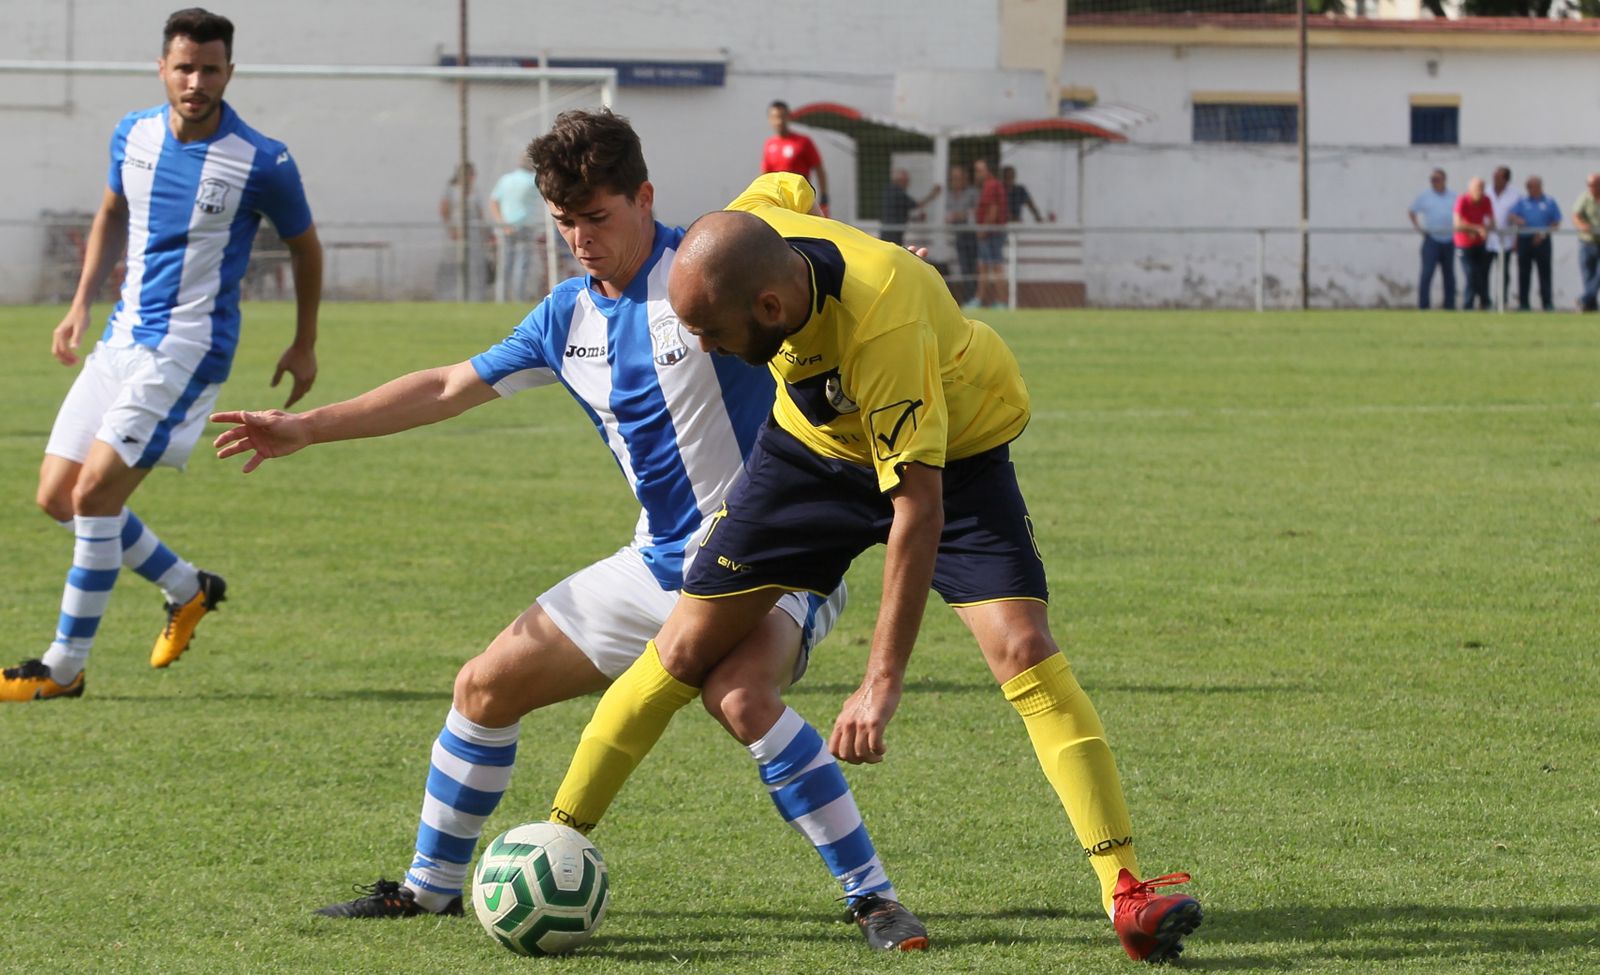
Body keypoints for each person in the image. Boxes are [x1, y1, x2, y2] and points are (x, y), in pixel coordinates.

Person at [209, 109, 928, 952]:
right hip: (657, 562)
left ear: (643, 197)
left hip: (775, 559)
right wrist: (307, 427)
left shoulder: (711, 268)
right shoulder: (564, 318)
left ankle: (873, 898)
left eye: (598, 217)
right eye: (565, 223)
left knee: (740, 696)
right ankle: (430, 887)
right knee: (483, 685)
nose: (581, 239)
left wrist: (894, 276)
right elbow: (447, 386)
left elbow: (825, 283)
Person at [543, 171, 1203, 965]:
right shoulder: (759, 224)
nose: (707, 350)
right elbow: (788, 186)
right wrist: (863, 240)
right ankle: (558, 837)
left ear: (772, 310)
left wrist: (881, 682)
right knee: (683, 645)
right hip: (810, 454)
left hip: (954, 454)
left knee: (1024, 648)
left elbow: (915, 513)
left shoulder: (884, 326)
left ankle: (1125, 890)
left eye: (714, 335)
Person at [1, 7, 322, 703]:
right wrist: (80, 301)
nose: (196, 81)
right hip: (121, 336)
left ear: (229, 73)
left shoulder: (262, 160)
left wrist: (304, 341)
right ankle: (189, 586)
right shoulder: (133, 133)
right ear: (162, 68)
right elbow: (112, 210)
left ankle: (64, 666)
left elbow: (305, 245)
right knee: (57, 496)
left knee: (94, 495)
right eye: (185, 66)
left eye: (210, 68)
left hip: (188, 349)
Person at [489, 157, 543, 304]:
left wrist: (501, 223)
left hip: (505, 227)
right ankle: (519, 299)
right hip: (525, 227)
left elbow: (493, 201)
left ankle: (501, 299)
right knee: (522, 265)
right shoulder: (533, 181)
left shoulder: (505, 179)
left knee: (505, 265)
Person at [761, 100, 830, 217]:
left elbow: (819, 170)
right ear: (770, 119)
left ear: (789, 117)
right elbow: (766, 175)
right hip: (779, 202)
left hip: (801, 200)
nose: (779, 121)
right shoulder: (769, 144)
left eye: (782, 116)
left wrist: (824, 196)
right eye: (775, 117)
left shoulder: (803, 142)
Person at [1507, 175, 1560, 312]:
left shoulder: (1549, 202)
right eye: (1528, 187)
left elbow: (1555, 222)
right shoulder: (1522, 201)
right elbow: (1511, 215)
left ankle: (1547, 303)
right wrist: (1517, 219)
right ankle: (1524, 303)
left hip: (1542, 240)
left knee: (1544, 273)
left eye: (1532, 187)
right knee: (1524, 272)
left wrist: (1542, 234)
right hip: (1525, 240)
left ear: (1539, 187)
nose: (1530, 189)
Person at [439, 161, 488, 301]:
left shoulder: (475, 189)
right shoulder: (451, 189)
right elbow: (444, 210)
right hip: (456, 233)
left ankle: (474, 297)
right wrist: (451, 229)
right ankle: (453, 296)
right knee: (456, 265)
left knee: (475, 266)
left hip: (473, 233)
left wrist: (483, 231)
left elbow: (479, 211)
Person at [1408, 169, 1455, 310]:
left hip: (1449, 239)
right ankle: (1424, 305)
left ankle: (1449, 305)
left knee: (1449, 275)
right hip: (1431, 240)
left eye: (1437, 179)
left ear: (1444, 180)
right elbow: (1412, 211)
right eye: (1432, 179)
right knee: (1427, 274)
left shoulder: (1453, 196)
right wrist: (1419, 227)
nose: (1434, 182)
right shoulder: (1425, 196)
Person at [973, 158, 1009, 309]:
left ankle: (998, 301)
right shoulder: (994, 185)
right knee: (987, 266)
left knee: (992, 266)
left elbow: (993, 209)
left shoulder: (991, 185)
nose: (977, 174)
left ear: (989, 171)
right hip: (993, 231)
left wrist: (984, 229)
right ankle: (984, 299)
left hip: (991, 232)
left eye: (979, 170)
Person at [1454, 176, 1494, 311]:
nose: (1480, 191)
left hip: (1480, 243)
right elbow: (1457, 224)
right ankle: (1468, 305)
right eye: (1477, 188)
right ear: (1470, 189)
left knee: (1482, 274)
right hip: (1463, 244)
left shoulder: (1486, 200)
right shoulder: (1462, 200)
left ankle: (1485, 303)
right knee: (1471, 273)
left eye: (1482, 188)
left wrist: (1485, 229)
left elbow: (1492, 222)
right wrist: (1476, 228)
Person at [1486, 165, 1521, 310]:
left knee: (1504, 274)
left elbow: (1518, 219)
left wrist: (1516, 240)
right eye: (1494, 176)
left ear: (1506, 179)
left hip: (1506, 241)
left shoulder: (1515, 195)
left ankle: (1502, 301)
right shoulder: (1486, 191)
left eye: (1498, 177)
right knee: (1483, 272)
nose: (1495, 180)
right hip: (1486, 240)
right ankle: (1485, 300)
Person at [945, 163, 979, 306]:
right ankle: (967, 297)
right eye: (953, 178)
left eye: (958, 178)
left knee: (973, 266)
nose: (955, 181)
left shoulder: (973, 193)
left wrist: (960, 215)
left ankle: (974, 297)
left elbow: (976, 212)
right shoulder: (949, 195)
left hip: (972, 234)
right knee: (963, 267)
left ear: (965, 178)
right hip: (958, 235)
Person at [879, 169, 939, 247]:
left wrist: (916, 218)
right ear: (900, 180)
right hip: (893, 231)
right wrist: (933, 194)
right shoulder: (898, 193)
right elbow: (917, 205)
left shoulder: (890, 191)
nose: (908, 183)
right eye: (906, 180)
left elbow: (899, 212)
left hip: (891, 230)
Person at [1571, 173, 1600, 312]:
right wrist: (1583, 226)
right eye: (1589, 185)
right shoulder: (1585, 198)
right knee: (1588, 275)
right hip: (1587, 242)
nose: (1591, 188)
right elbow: (1575, 216)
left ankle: (1584, 299)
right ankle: (1590, 305)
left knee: (1599, 275)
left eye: (1594, 185)